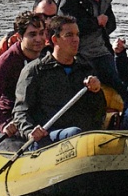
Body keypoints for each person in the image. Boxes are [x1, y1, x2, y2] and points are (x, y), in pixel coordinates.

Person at [13, 15, 107, 146]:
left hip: (83, 138)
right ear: (55, 39)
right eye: (69, 35)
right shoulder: (35, 71)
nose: (76, 40)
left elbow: (99, 112)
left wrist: (97, 91)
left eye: (77, 35)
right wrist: (29, 131)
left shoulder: (85, 68)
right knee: (74, 133)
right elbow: (21, 111)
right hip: (49, 136)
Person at [57, 0, 124, 91]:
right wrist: (95, 22)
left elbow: (111, 25)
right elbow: (61, 27)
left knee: (119, 87)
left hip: (101, 53)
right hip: (79, 54)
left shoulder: (105, 0)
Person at [0, 12, 48, 138]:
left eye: (41, 33)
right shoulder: (7, 61)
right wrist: (2, 125)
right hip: (12, 116)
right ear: (19, 37)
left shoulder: (49, 55)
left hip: (39, 113)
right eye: (32, 34)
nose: (39, 39)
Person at [0, 0, 59, 90]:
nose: (47, 21)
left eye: (53, 17)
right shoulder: (10, 41)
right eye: (43, 16)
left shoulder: (60, 42)